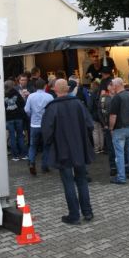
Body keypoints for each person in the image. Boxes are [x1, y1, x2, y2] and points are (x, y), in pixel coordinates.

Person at [41, 79, 94, 225]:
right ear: (67, 89)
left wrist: (49, 144)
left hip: (62, 149)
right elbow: (90, 124)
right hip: (79, 148)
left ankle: (74, 215)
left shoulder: (52, 107)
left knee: (68, 182)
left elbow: (47, 132)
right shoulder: (78, 104)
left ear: (55, 90)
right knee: (82, 180)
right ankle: (87, 212)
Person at [108, 78, 129, 184]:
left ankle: (121, 177)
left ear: (116, 85)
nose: (112, 87)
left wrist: (111, 128)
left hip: (119, 129)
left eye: (112, 85)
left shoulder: (117, 98)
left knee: (119, 154)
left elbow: (113, 116)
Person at [24, 78, 54, 175]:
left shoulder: (31, 96)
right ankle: (44, 166)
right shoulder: (49, 96)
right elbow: (52, 111)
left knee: (33, 145)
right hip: (46, 125)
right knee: (47, 145)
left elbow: (27, 110)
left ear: (35, 87)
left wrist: (31, 115)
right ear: (45, 86)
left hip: (34, 124)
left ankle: (31, 162)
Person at [4, 80, 28, 161]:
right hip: (18, 117)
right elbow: (23, 104)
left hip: (9, 118)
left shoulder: (3, 95)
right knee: (20, 135)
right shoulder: (17, 93)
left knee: (12, 136)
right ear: (13, 85)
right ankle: (24, 154)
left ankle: (15, 156)